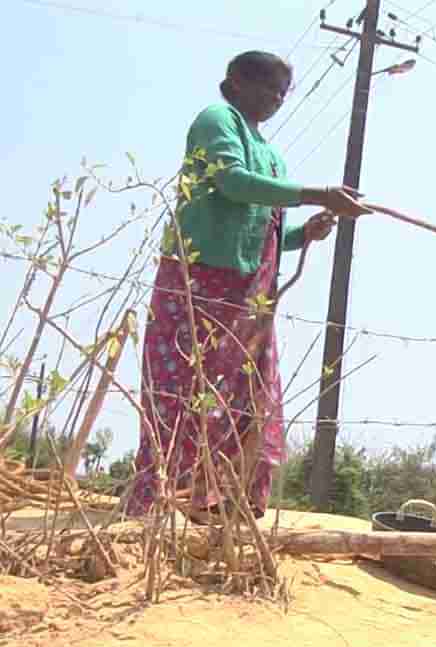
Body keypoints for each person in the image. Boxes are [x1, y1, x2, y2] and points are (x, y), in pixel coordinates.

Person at [126, 51, 369, 525]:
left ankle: (220, 500)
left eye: (282, 93)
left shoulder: (272, 153)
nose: (275, 100)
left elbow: (267, 232)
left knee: (245, 393)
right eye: (267, 88)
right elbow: (233, 184)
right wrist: (317, 194)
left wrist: (305, 233)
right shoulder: (217, 120)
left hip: (250, 293)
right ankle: (160, 497)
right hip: (199, 278)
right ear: (235, 82)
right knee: (182, 386)